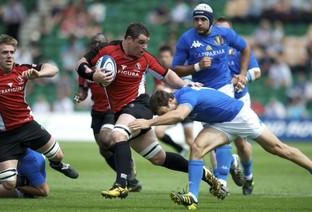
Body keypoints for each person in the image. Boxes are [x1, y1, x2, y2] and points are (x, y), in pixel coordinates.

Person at [75, 23, 227, 200]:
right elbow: (81, 64)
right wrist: (93, 76)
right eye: (141, 42)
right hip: (121, 111)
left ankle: (122, 184)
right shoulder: (106, 50)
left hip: (139, 106)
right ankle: (207, 175)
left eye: (146, 43)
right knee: (159, 158)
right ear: (128, 39)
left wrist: (187, 84)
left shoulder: (146, 58)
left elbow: (167, 74)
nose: (144, 47)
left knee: (118, 135)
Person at [129, 87, 312, 210]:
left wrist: (149, 122)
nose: (164, 116)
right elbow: (177, 113)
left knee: (279, 148)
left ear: (170, 101)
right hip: (220, 124)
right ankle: (192, 196)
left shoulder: (185, 97)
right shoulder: (179, 97)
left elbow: (180, 115)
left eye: (163, 112)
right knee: (197, 148)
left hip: (240, 117)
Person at [171, 3, 251, 191]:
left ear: (210, 21)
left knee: (219, 128)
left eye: (203, 19)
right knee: (215, 133)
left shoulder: (224, 34)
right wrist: (196, 67)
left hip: (223, 87)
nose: (199, 23)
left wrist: (242, 73)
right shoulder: (186, 39)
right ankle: (230, 160)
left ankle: (221, 181)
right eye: (196, 19)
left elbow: (246, 48)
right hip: (201, 90)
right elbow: (175, 69)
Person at [0, 34, 78, 194]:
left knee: (58, 155)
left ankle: (57, 165)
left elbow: (53, 69)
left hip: (28, 126)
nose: (9, 55)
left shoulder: (22, 69)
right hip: (5, 135)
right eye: (5, 52)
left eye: (12, 52)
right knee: (9, 183)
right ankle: (24, 180)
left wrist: (39, 74)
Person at [74, 32, 142, 192]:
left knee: (106, 140)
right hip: (97, 111)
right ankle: (130, 179)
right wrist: (80, 96)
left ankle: (127, 163)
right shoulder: (86, 70)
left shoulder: (113, 63)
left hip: (112, 109)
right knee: (103, 150)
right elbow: (83, 91)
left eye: (100, 43)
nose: (97, 46)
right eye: (94, 44)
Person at [216, 17, 262, 195]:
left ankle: (248, 176)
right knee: (219, 138)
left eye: (226, 30)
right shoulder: (209, 49)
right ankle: (221, 182)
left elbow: (256, 71)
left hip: (240, 99)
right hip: (219, 99)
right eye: (219, 30)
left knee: (241, 144)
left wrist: (242, 78)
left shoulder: (240, 48)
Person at [154, 45, 192, 156]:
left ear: (172, 57)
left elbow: (185, 86)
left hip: (185, 107)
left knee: (190, 141)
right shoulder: (158, 71)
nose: (164, 59)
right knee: (158, 132)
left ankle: (200, 165)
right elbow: (159, 89)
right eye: (161, 57)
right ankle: (180, 149)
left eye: (166, 56)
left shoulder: (179, 69)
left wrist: (167, 90)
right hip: (171, 109)